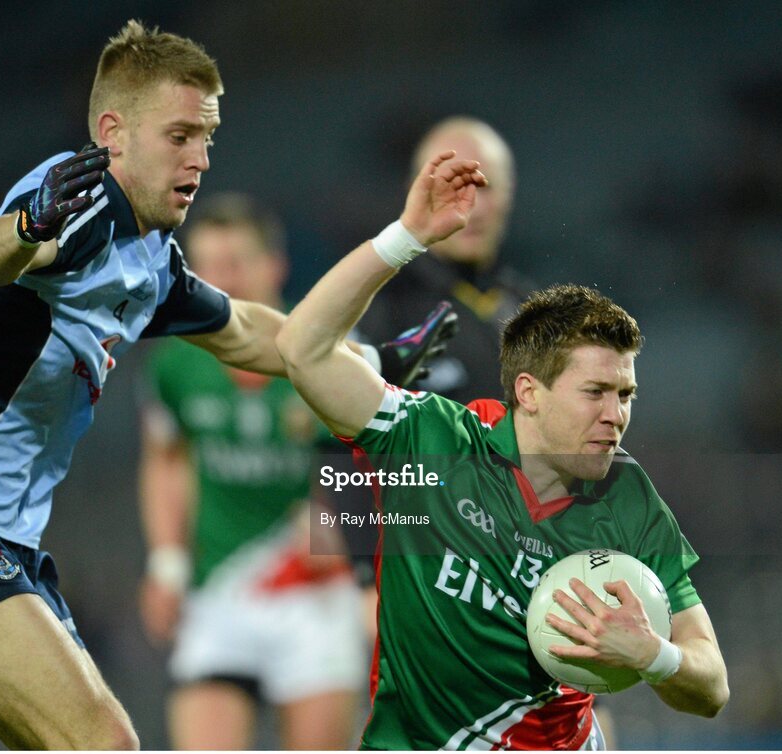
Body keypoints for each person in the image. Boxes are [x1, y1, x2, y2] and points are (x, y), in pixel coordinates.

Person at [0, 21, 451, 749]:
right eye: (179, 136)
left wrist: (369, 361)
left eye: (207, 137)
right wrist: (33, 223)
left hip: (10, 537)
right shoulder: (79, 202)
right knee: (106, 743)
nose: (200, 159)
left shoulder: (149, 262)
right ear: (114, 132)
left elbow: (260, 335)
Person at [275, 153, 730, 749]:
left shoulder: (630, 501)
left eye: (625, 395)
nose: (615, 415)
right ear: (528, 392)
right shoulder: (431, 438)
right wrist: (405, 238)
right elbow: (301, 347)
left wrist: (655, 654)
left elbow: (713, 685)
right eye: (594, 392)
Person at [137, 194, 366, 749]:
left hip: (313, 594)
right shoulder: (175, 361)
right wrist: (166, 563)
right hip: (219, 588)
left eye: (236, 263)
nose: (221, 280)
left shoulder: (333, 355)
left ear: (275, 266)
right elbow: (166, 460)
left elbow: (374, 469)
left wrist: (342, 536)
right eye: (207, 266)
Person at [357, 117, 532, 401]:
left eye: (485, 186)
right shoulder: (378, 308)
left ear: (509, 191)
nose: (472, 210)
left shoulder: (532, 306)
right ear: (417, 194)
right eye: (453, 187)